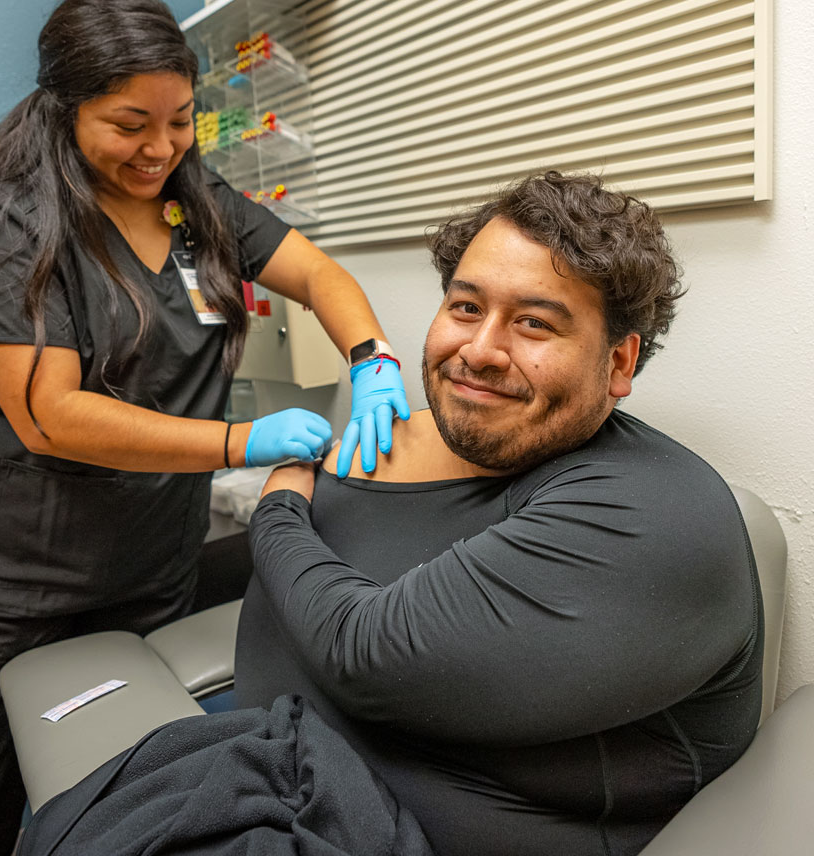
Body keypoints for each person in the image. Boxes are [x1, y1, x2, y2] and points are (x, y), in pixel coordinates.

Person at [0, 0, 408, 856]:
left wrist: (374, 359)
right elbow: (52, 416)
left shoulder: (195, 205)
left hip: (140, 569)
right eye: (131, 124)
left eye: (181, 120)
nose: (160, 148)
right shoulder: (13, 222)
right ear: (66, 107)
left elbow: (320, 277)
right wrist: (244, 442)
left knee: (118, 808)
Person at [236, 171, 763, 856]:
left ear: (619, 362)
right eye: (464, 308)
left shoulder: (657, 513)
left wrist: (277, 502)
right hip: (267, 767)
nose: (479, 351)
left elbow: (361, 653)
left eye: (534, 323)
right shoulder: (446, 443)